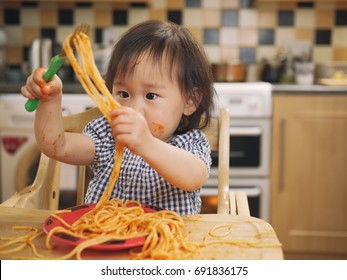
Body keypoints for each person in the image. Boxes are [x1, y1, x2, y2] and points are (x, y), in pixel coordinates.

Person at [21, 20, 215, 214]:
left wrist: (146, 144)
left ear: (190, 101)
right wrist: (50, 99)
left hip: (170, 242)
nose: (133, 109)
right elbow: (56, 146)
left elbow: (193, 177)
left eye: (151, 96)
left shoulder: (189, 144)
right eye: (123, 94)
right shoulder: (107, 137)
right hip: (105, 239)